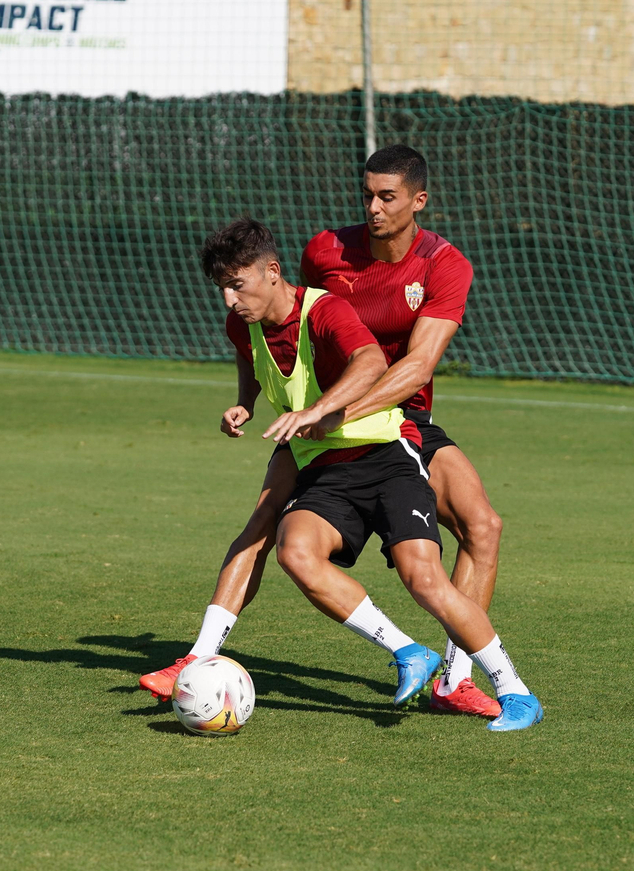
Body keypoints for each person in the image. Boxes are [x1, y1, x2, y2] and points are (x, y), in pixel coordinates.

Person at [140, 146, 507, 717]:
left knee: (482, 526)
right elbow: (285, 319)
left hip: (394, 416)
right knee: (263, 525)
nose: (373, 207)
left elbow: (416, 366)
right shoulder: (326, 250)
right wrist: (263, 399)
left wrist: (335, 412)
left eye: (387, 196)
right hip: (319, 422)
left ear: (419, 200)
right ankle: (196, 658)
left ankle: (454, 679)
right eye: (367, 194)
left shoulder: (444, 264)